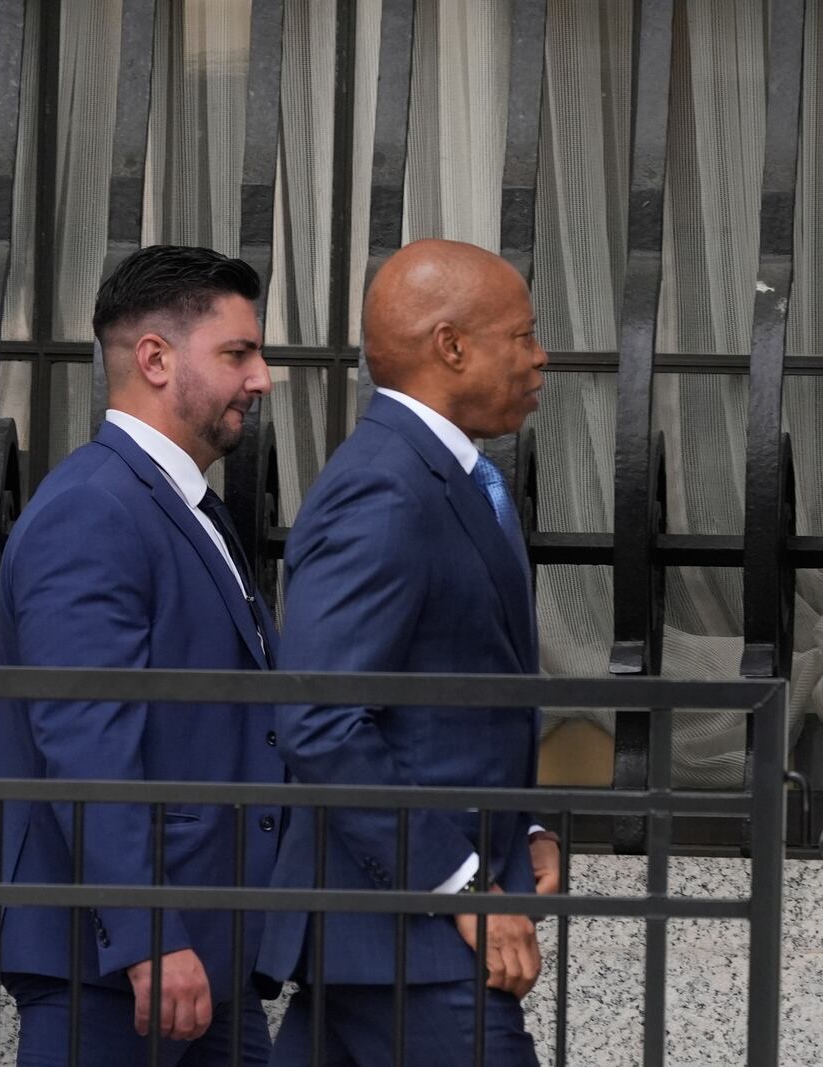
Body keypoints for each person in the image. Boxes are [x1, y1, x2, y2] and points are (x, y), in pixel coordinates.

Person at [0, 245, 285, 1066]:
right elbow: (86, 736)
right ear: (156, 358)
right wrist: (146, 934)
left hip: (205, 947)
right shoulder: (94, 510)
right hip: (117, 962)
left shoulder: (182, 504)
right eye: (238, 353)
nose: (262, 377)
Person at [256, 238, 559, 1066]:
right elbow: (321, 717)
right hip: (411, 938)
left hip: (385, 939)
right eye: (524, 336)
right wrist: (460, 884)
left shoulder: (446, 474)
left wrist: (523, 823)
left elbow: (453, 690)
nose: (542, 358)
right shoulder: (386, 484)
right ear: (452, 345)